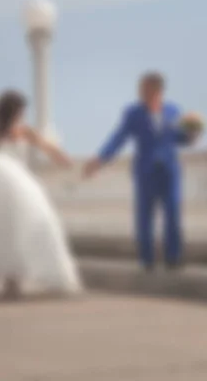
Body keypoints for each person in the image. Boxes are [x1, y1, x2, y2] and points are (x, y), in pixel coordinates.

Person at [0, 90, 83, 298]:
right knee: (5, 232)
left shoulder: (25, 131)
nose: (23, 113)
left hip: (21, 185)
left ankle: (16, 280)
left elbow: (47, 147)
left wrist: (64, 160)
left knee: (27, 228)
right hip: (1, 185)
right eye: (21, 110)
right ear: (13, 111)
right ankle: (11, 281)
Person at [83, 72, 200, 271]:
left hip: (170, 172)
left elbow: (179, 139)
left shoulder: (173, 111)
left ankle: (173, 258)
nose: (140, 92)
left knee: (173, 213)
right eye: (140, 89)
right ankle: (147, 260)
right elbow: (118, 138)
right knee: (145, 218)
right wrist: (100, 159)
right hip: (145, 173)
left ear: (156, 90)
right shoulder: (133, 113)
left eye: (144, 88)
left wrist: (191, 135)